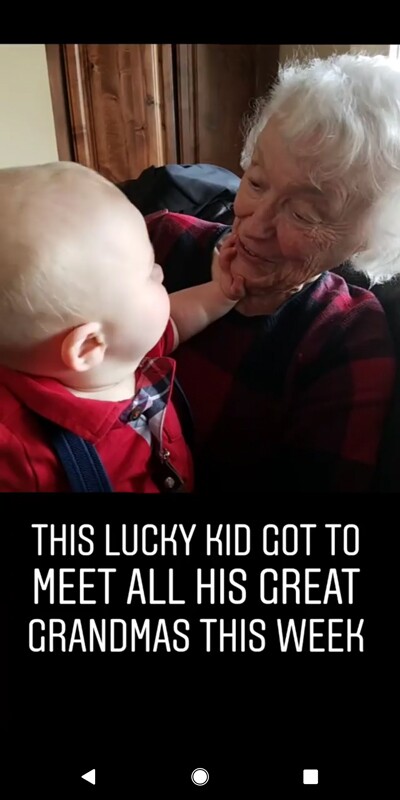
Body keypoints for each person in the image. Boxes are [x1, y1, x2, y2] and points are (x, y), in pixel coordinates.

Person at [145, 53, 400, 492]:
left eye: (303, 213)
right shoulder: (156, 245)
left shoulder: (346, 339)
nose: (254, 224)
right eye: (257, 182)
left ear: (367, 240)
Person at [0, 162, 243, 492]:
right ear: (89, 347)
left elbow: (173, 321)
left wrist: (220, 294)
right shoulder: (18, 454)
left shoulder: (118, 348)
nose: (161, 271)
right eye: (147, 273)